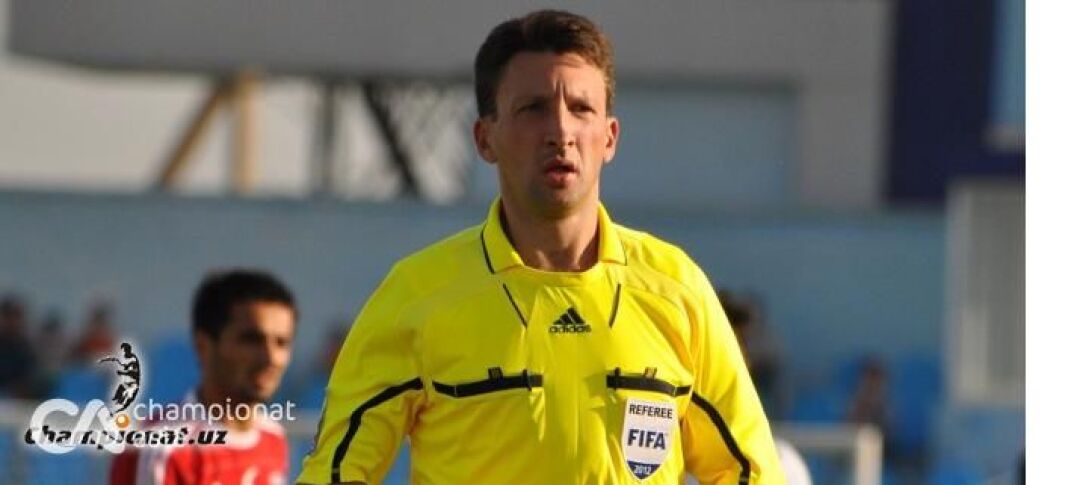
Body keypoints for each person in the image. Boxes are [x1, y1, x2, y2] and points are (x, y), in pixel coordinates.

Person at [298, 10, 783, 485]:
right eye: (533, 108)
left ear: (609, 137)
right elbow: (336, 472)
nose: (561, 132)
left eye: (581, 108)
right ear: (484, 138)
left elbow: (748, 472)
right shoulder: (417, 294)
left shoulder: (676, 288)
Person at [110, 269, 298, 485]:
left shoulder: (274, 438)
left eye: (282, 343)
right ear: (204, 346)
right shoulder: (163, 448)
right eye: (251, 340)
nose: (271, 357)